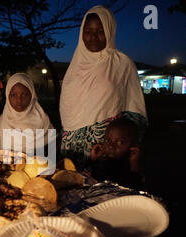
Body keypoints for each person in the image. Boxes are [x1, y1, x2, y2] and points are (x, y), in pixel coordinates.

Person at [59, 5, 147, 166]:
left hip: (107, 148)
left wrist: (124, 145)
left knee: (105, 188)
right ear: (81, 34)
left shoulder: (122, 64)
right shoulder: (75, 66)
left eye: (100, 31)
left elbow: (135, 109)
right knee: (72, 186)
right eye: (88, 31)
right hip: (72, 148)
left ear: (110, 31)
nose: (93, 37)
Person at [0, 73, 54, 155]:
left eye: (25, 94)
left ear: (32, 95)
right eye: (14, 95)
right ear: (7, 95)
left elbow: (50, 153)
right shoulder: (2, 122)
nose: (19, 100)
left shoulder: (43, 121)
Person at [86, 118, 144, 189]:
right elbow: (87, 176)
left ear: (133, 146)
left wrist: (134, 166)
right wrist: (92, 159)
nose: (111, 146)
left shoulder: (131, 165)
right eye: (107, 140)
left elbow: (135, 188)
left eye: (120, 142)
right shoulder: (103, 161)